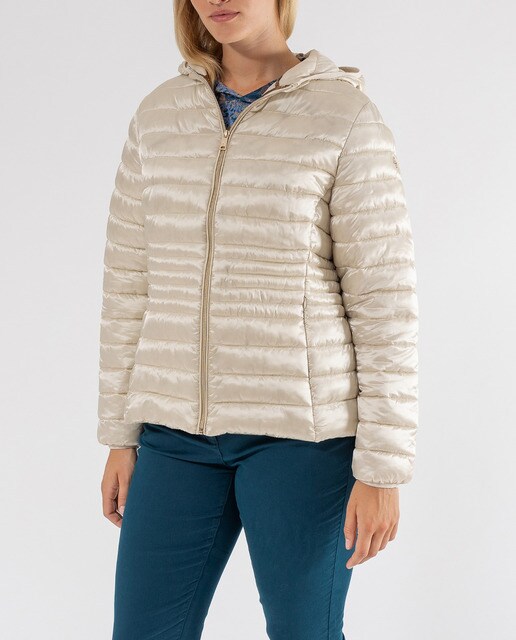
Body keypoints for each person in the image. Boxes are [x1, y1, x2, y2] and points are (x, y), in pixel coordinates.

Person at [98, 1, 419, 638]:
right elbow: (128, 284)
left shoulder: (344, 117)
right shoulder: (159, 116)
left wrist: (382, 469)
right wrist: (120, 435)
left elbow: (385, 303)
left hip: (301, 440)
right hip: (174, 436)